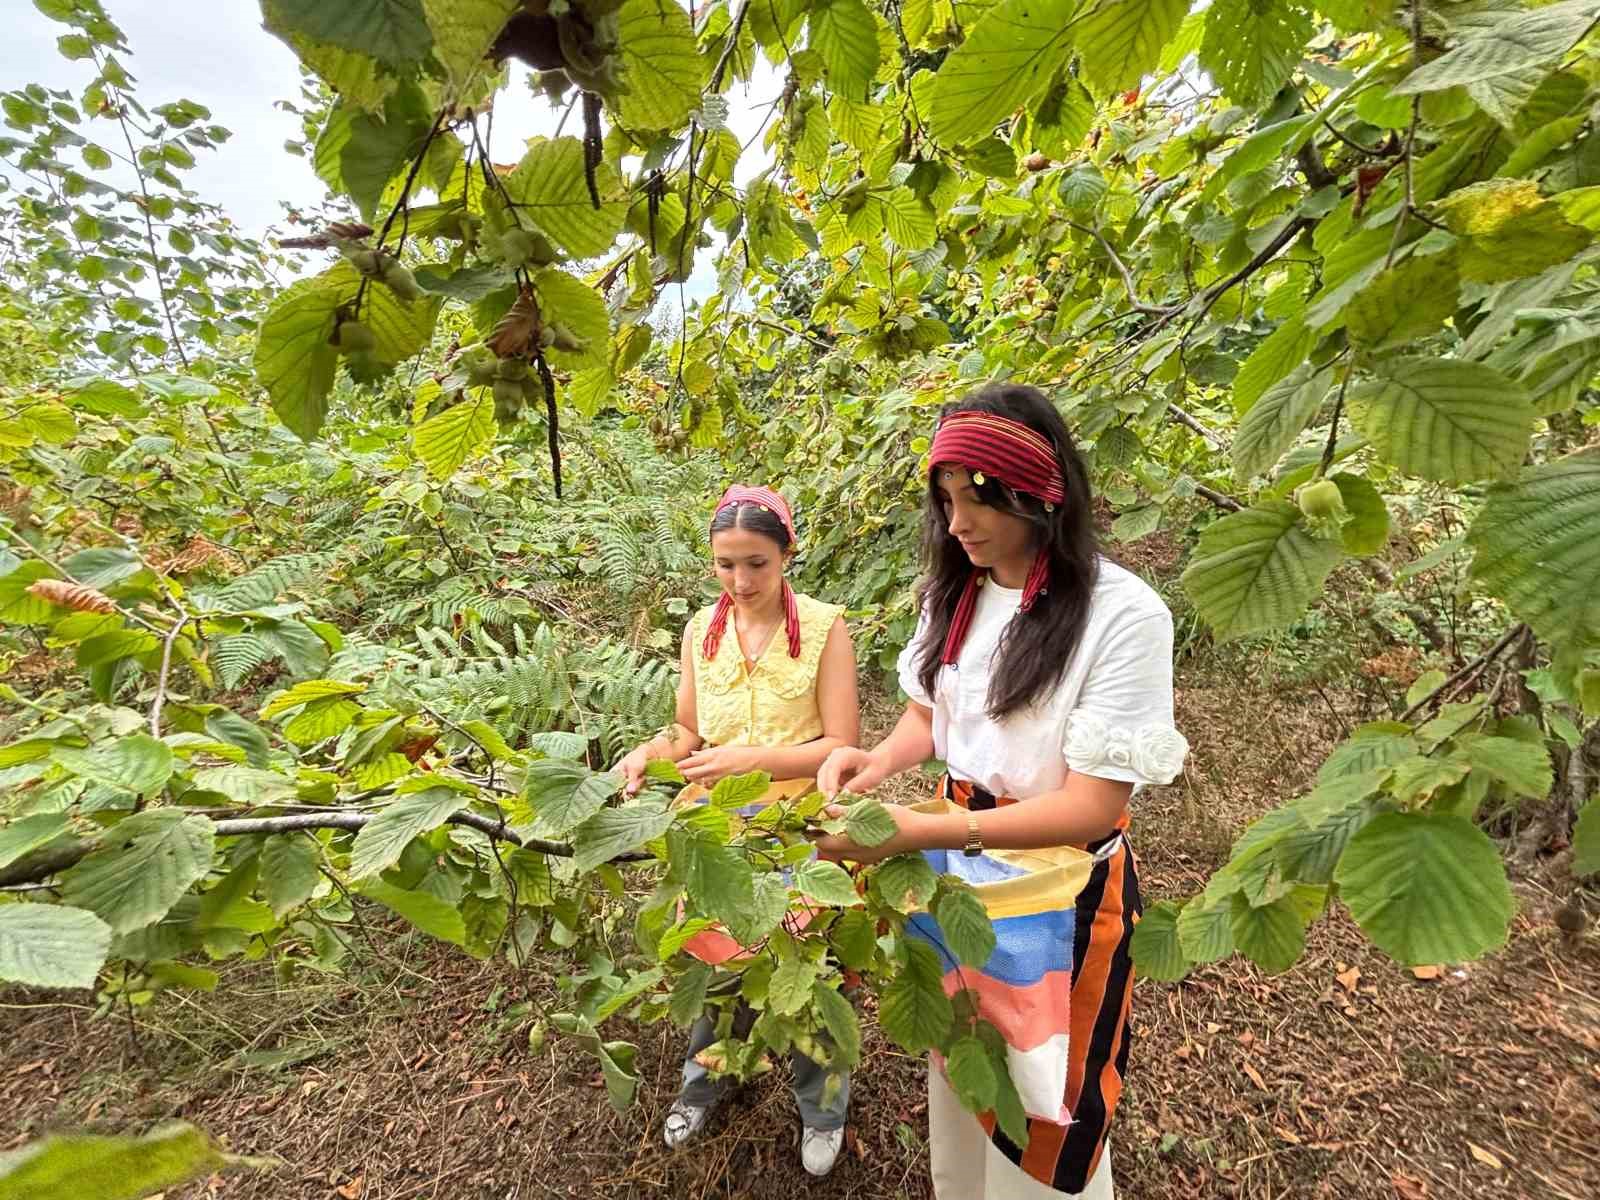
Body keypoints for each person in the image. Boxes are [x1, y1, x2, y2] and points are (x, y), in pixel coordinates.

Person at [810, 383, 1188, 1199]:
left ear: (1040, 492)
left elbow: (1092, 806)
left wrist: (919, 831)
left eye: (979, 498)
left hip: (1058, 884)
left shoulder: (1122, 616)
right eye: (946, 500)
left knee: (1047, 1093)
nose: (958, 524)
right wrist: (872, 762)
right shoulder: (957, 591)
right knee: (967, 1057)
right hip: (959, 871)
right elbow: (930, 714)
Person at [614, 483, 860, 1177]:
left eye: (757, 563)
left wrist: (754, 759)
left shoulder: (824, 629)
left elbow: (842, 744)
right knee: (716, 964)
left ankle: (823, 1108)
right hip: (717, 825)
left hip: (797, 825)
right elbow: (687, 729)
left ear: (787, 554)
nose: (741, 581)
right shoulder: (702, 629)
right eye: (726, 564)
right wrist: (648, 752)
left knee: (807, 969)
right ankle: (704, 1084)